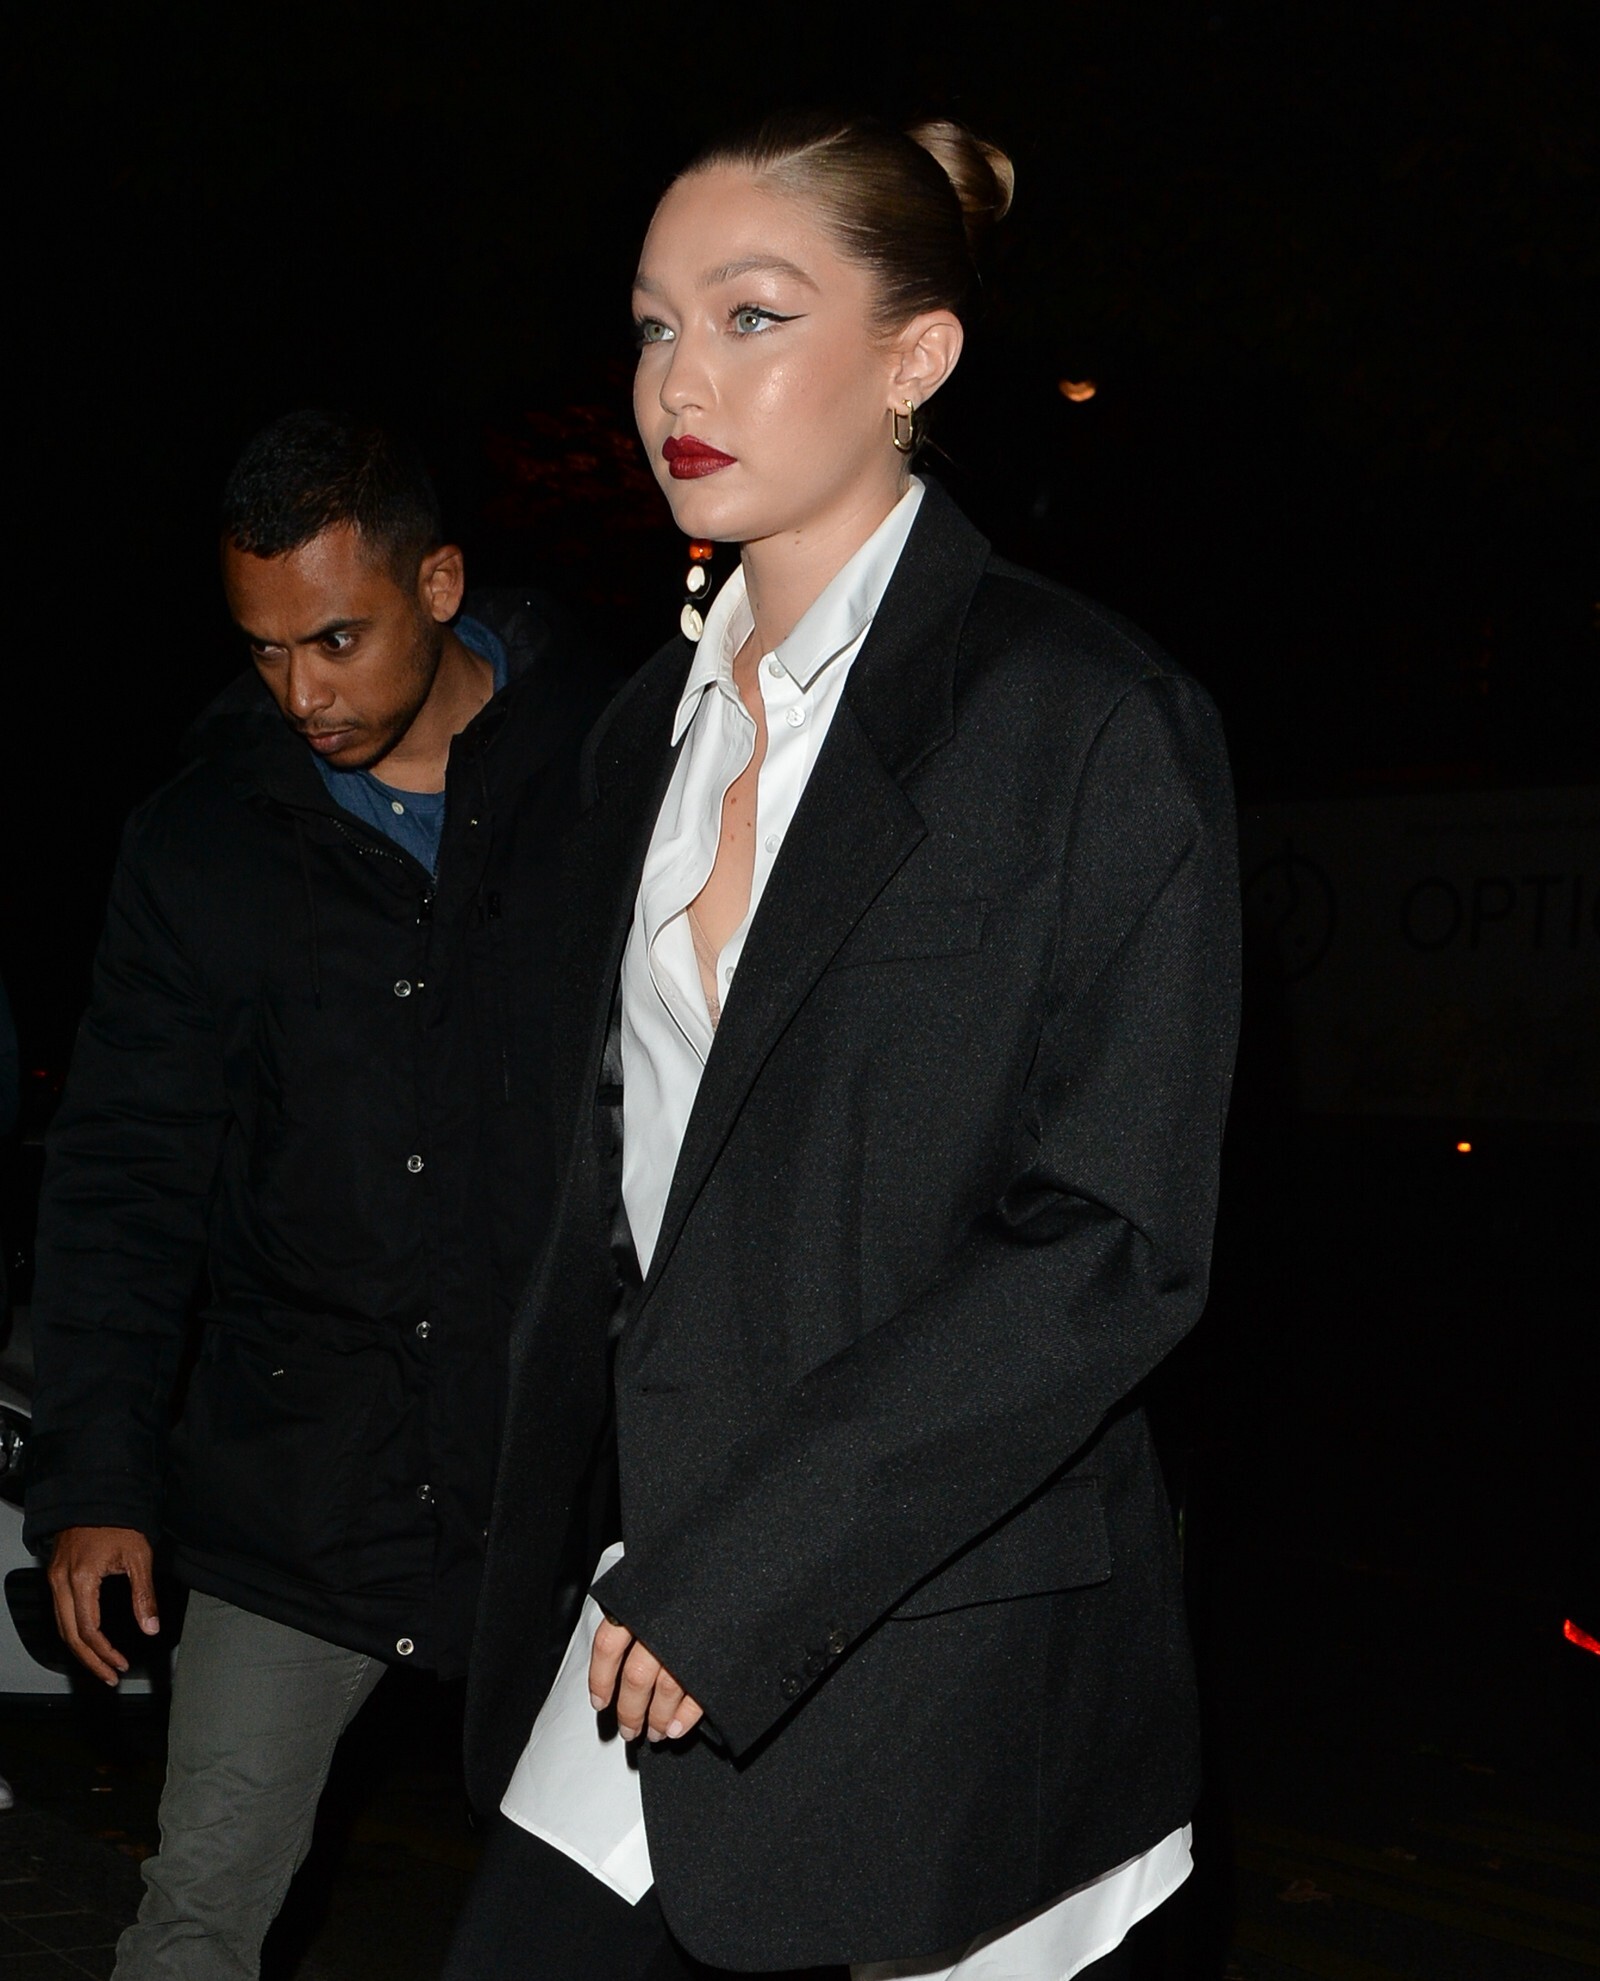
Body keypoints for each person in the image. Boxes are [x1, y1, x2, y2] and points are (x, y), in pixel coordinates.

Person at [450, 113, 1240, 1981]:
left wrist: (755, 1563)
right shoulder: (639, 730)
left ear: (916, 358)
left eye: (751, 317)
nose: (678, 383)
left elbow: (1111, 1243)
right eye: (654, 326)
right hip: (648, 1597)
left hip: (945, 1627)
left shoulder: (1084, 719)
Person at [24, 410, 600, 1977]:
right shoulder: (204, 840)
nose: (301, 694)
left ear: (440, 582)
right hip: (298, 1481)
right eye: (265, 650)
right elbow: (125, 1173)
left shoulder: (615, 774)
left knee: (633, 1922)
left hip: (566, 1484)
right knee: (196, 1917)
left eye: (336, 638)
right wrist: (96, 1475)